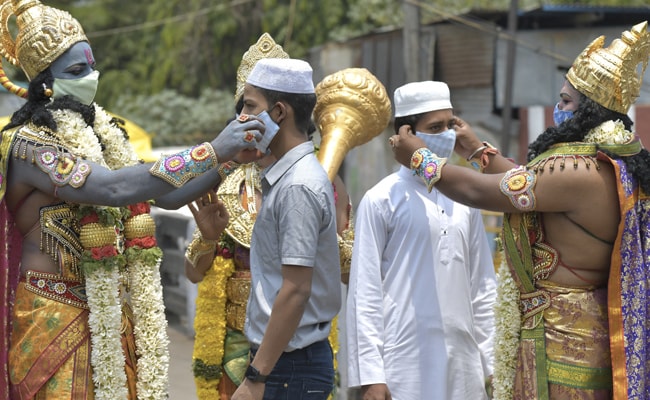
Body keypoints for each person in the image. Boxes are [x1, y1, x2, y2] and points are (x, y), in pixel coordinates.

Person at [0, 1, 266, 398]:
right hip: (52, 317)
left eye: (91, 67)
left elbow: (168, 194)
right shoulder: (28, 147)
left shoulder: (107, 139)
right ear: (43, 83)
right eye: (76, 71)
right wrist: (211, 149)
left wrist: (227, 159)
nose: (90, 78)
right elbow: (112, 188)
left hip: (112, 316)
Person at [390, 22, 650, 400]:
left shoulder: (578, 168)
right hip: (583, 337)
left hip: (562, 347)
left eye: (565, 101)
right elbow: (526, 184)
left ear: (588, 110)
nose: (557, 109)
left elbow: (480, 192)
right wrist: (479, 152)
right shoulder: (610, 163)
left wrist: (419, 157)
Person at [185, 33, 354, 400]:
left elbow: (295, 289)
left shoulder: (297, 186)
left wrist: (257, 376)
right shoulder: (280, 177)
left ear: (279, 112)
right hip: (270, 356)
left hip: (285, 364)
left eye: (249, 107)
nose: (241, 119)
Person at [345, 81, 497, 400]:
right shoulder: (381, 199)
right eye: (435, 127)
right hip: (403, 366)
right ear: (407, 134)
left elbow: (482, 287)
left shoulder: (464, 198)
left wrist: (494, 366)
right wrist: (372, 376)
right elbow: (365, 292)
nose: (445, 135)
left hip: (464, 368)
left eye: (449, 125)